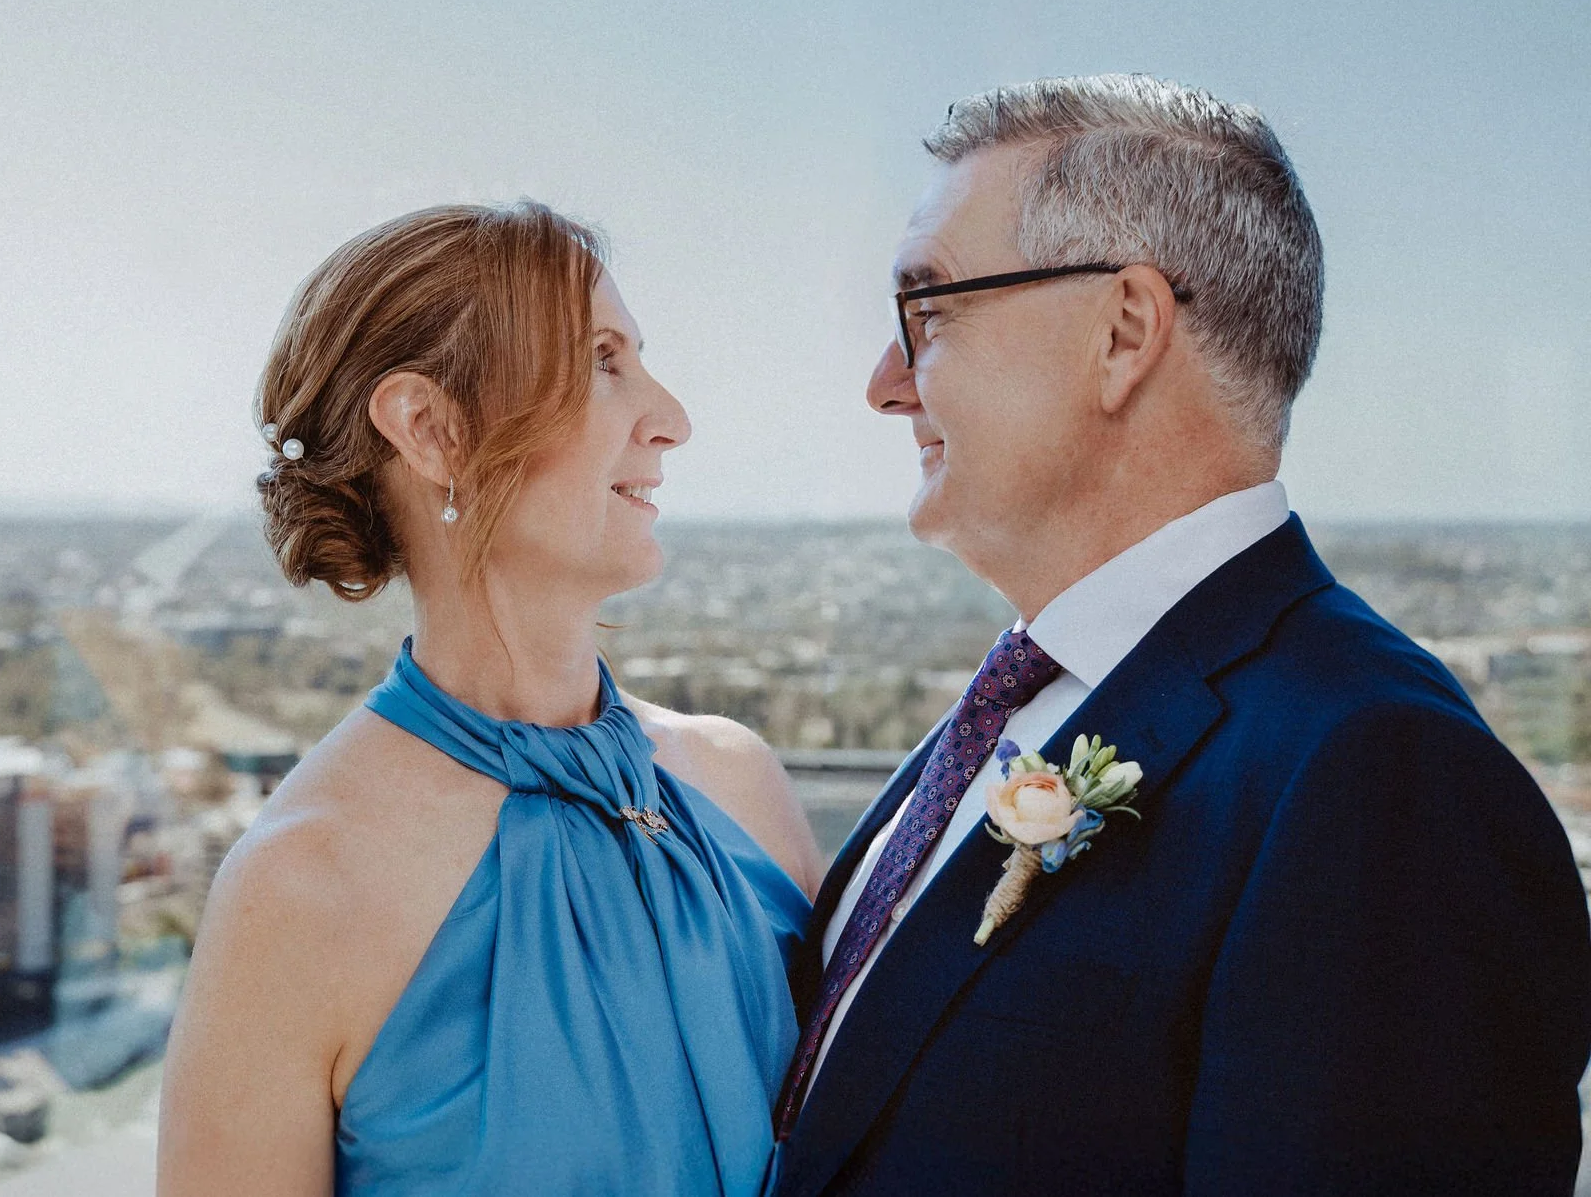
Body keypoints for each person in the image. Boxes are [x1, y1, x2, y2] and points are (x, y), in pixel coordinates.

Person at [770, 74, 1591, 1196]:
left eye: (929, 308)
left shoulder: (1375, 776)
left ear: (1123, 332)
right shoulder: (1020, 705)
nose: (882, 384)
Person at [157, 201, 824, 1196]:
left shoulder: (741, 785)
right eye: (603, 362)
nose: (671, 419)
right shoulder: (299, 888)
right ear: (431, 429)